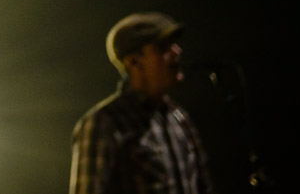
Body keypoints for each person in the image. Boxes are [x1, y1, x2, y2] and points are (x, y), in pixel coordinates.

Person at [70, 12, 215, 194]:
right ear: (134, 62)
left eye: (174, 44)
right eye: (163, 47)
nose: (177, 51)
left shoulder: (179, 117)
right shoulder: (104, 123)